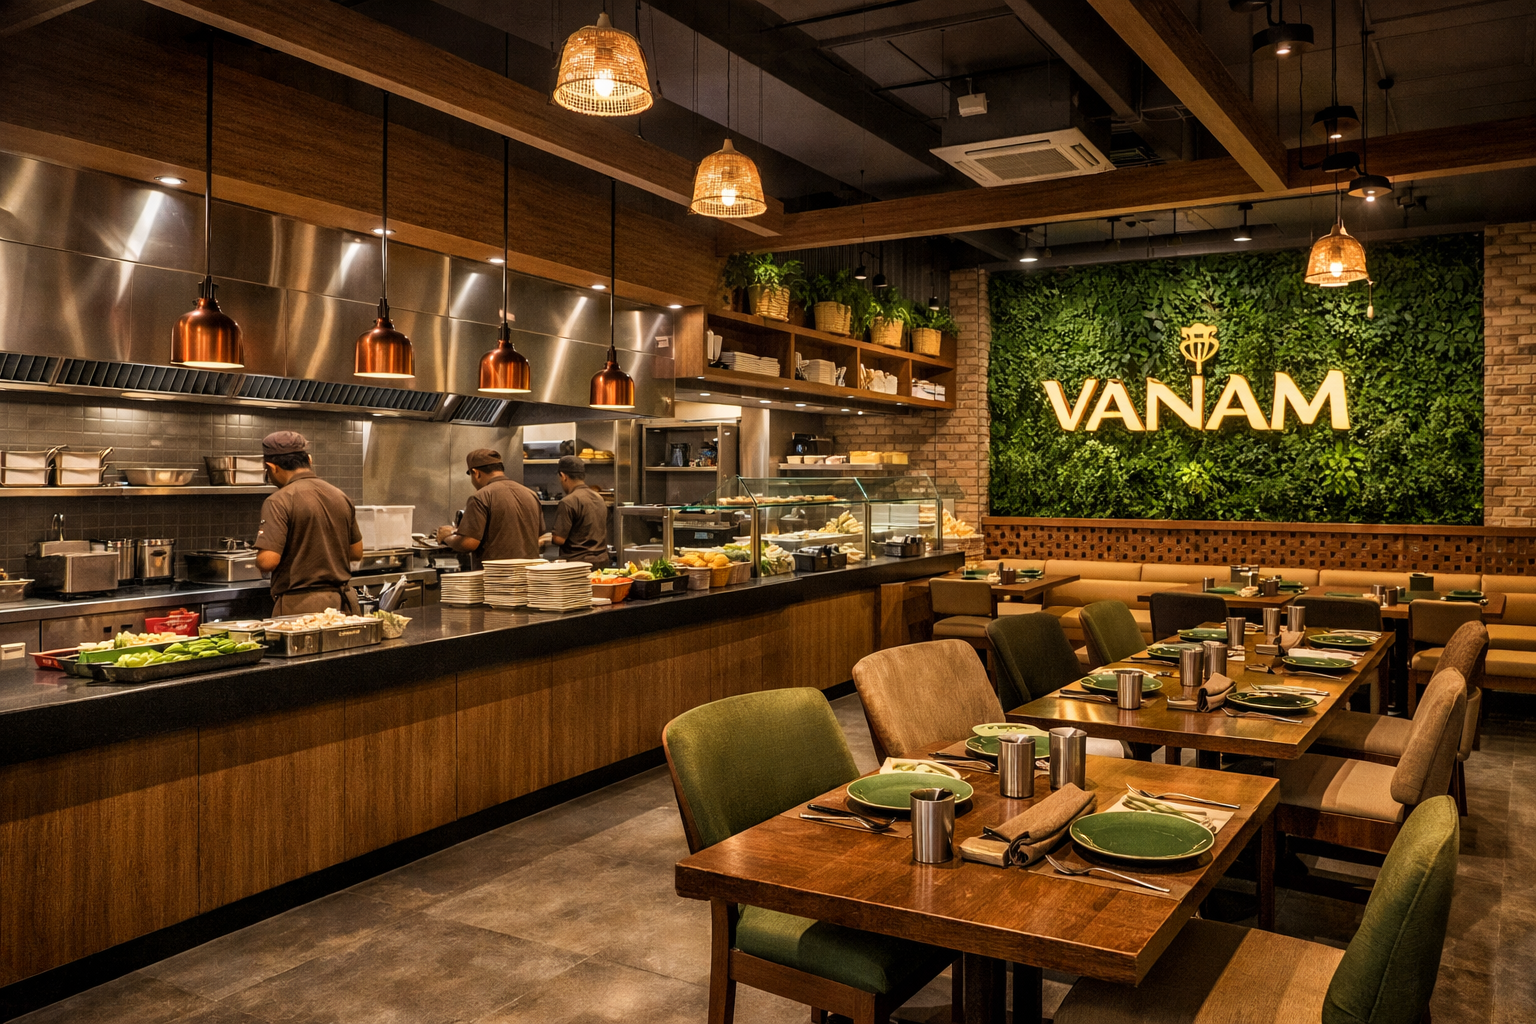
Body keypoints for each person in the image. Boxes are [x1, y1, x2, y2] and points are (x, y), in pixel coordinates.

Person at [254, 431, 364, 615]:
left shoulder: (279, 500)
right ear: (309, 460)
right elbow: (356, 553)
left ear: (271, 467)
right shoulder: (340, 496)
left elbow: (267, 561)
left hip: (301, 608)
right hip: (343, 605)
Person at [436, 449, 543, 566]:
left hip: (496, 577)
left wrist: (447, 537)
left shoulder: (481, 497)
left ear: (476, 473)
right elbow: (537, 534)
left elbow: (469, 543)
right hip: (529, 575)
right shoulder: (530, 494)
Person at [551, 454, 610, 567]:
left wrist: (546, 538)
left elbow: (559, 539)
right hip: (602, 561)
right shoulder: (599, 498)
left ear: (563, 476)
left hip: (577, 566)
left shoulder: (568, 501)